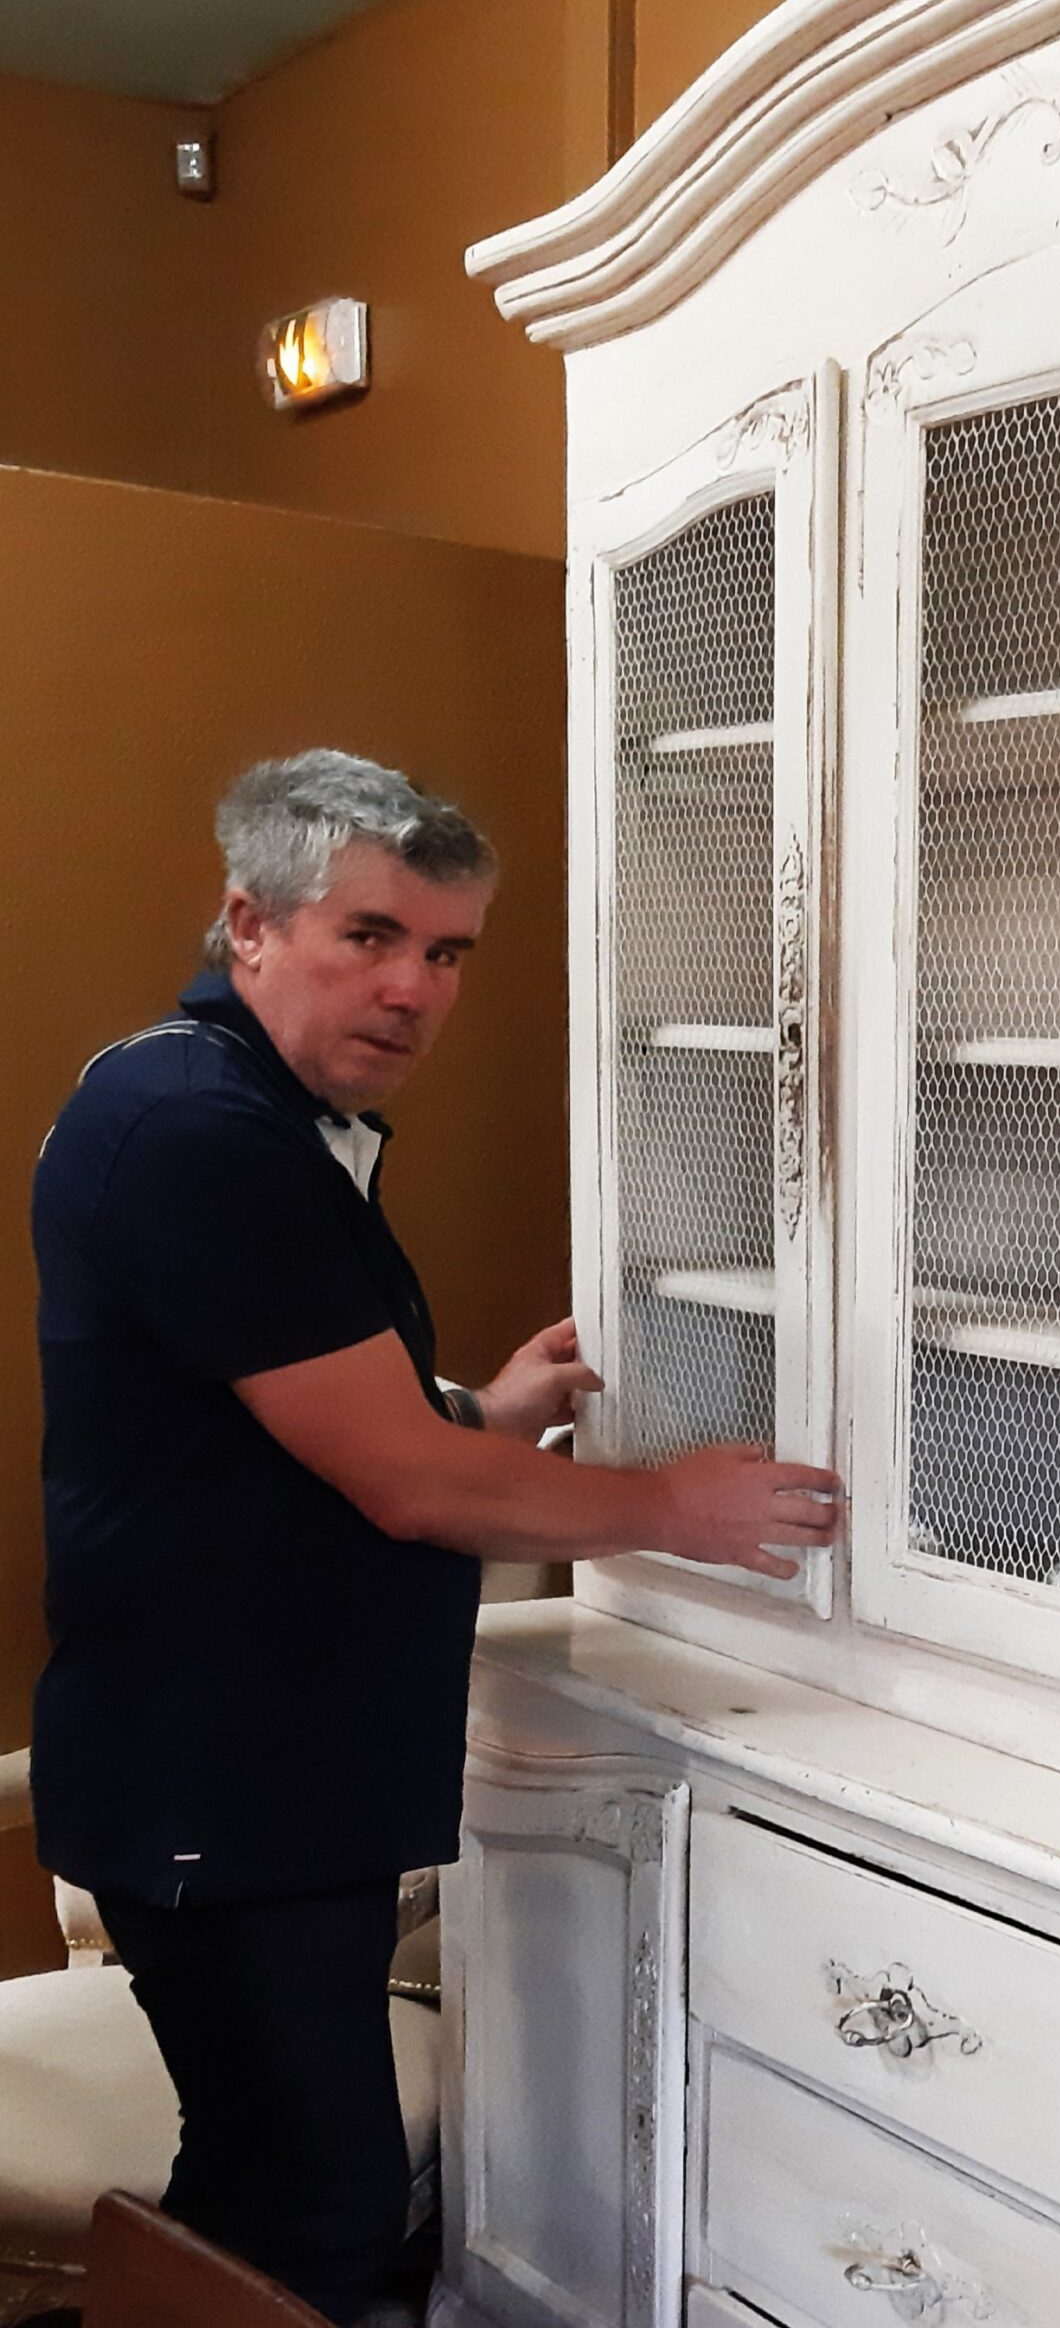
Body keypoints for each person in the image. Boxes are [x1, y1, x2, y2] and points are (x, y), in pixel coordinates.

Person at [29, 749, 841, 2325]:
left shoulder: (240, 1108)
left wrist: (492, 1410)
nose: (415, 988)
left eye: (449, 951)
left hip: (250, 1776)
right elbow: (405, 1485)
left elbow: (282, 1423)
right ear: (249, 924)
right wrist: (670, 1506)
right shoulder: (203, 1134)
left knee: (268, 2183)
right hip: (224, 1786)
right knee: (311, 2204)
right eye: (371, 936)